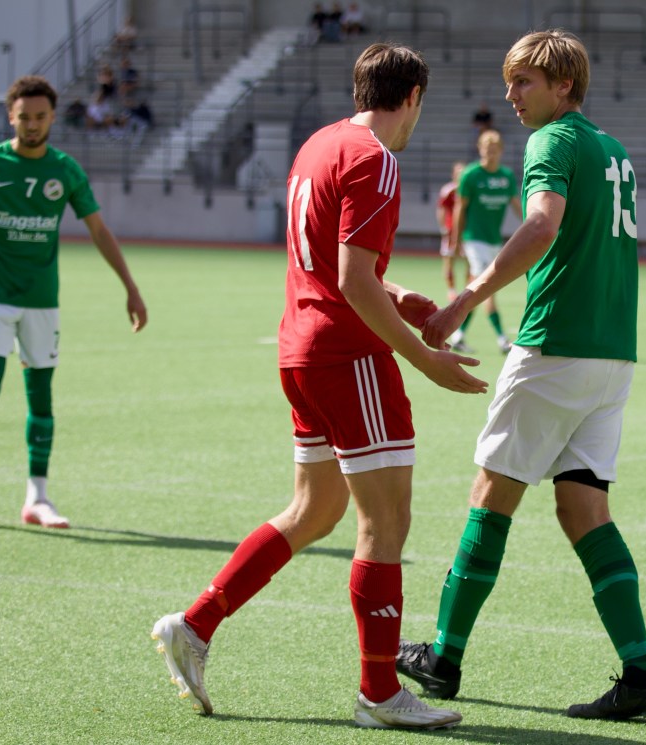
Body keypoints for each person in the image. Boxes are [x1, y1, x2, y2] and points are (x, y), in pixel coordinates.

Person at [150, 42, 486, 730]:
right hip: (348, 356)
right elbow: (353, 281)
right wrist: (423, 358)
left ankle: (195, 623)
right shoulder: (377, 159)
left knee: (314, 510)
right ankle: (379, 693)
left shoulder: (318, 146)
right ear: (413, 98)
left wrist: (398, 295)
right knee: (384, 521)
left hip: (300, 351)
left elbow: (330, 262)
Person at [396, 29, 646, 721]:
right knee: (584, 509)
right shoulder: (614, 149)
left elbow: (543, 225)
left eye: (524, 82)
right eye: (510, 80)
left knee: (490, 496)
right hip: (612, 356)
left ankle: (443, 656)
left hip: (555, 346)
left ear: (563, 86)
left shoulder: (552, 141)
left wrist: (465, 297)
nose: (511, 94)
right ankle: (642, 672)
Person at [0, 75, 148, 529]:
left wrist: (130, 287)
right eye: (24, 117)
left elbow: (99, 230)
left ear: (52, 118)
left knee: (41, 397)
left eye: (40, 116)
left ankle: (37, 497)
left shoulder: (64, 170)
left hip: (43, 301)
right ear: (11, 117)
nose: (32, 124)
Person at [447, 129, 522, 354]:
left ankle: (457, 334)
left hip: (494, 241)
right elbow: (460, 208)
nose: (491, 153)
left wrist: (534, 223)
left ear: (501, 151)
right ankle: (501, 338)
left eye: (495, 149)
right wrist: (456, 240)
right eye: (487, 149)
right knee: (485, 287)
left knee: (475, 288)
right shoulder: (471, 175)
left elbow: (516, 205)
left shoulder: (506, 176)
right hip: (474, 240)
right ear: (479, 149)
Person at [437, 161, 466, 301]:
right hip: (450, 231)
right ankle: (451, 290)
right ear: (453, 174)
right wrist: (443, 227)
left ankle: (468, 289)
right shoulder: (449, 190)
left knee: (470, 261)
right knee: (449, 259)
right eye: (458, 172)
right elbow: (441, 209)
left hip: (466, 232)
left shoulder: (469, 189)